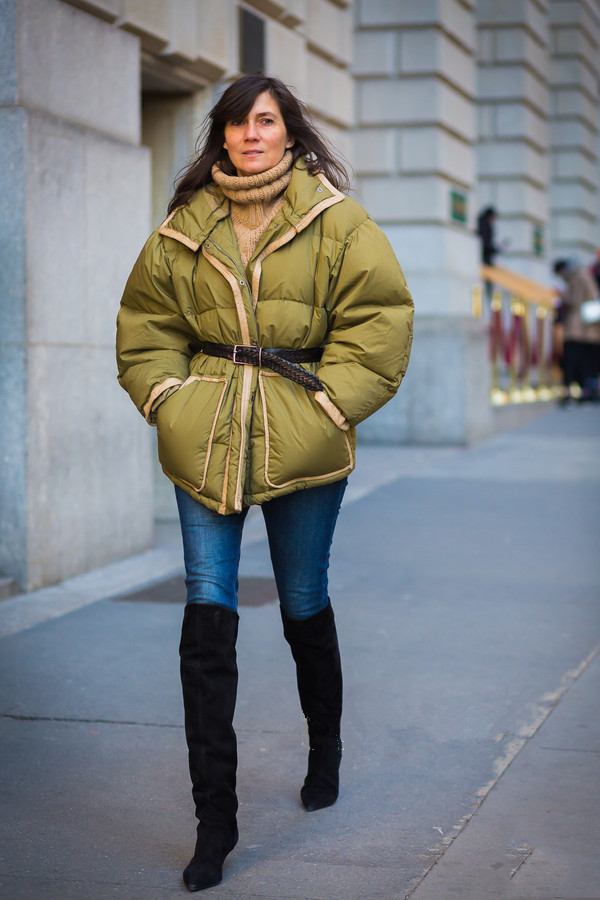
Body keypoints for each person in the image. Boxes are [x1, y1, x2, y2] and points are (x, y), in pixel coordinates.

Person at [116, 74, 413, 893]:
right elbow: (147, 327)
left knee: (301, 599)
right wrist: (168, 400)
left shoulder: (337, 221)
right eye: (239, 122)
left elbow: (379, 322)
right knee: (207, 609)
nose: (252, 134)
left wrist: (328, 405)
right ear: (221, 135)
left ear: (290, 133)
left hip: (303, 440)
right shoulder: (185, 227)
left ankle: (326, 748)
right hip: (207, 437)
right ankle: (215, 822)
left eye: (267, 121)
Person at [553, 259, 600, 402]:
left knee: (573, 360)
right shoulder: (584, 275)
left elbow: (575, 300)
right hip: (589, 329)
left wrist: (561, 296)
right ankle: (587, 391)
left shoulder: (576, 277)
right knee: (587, 361)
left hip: (577, 326)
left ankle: (572, 391)